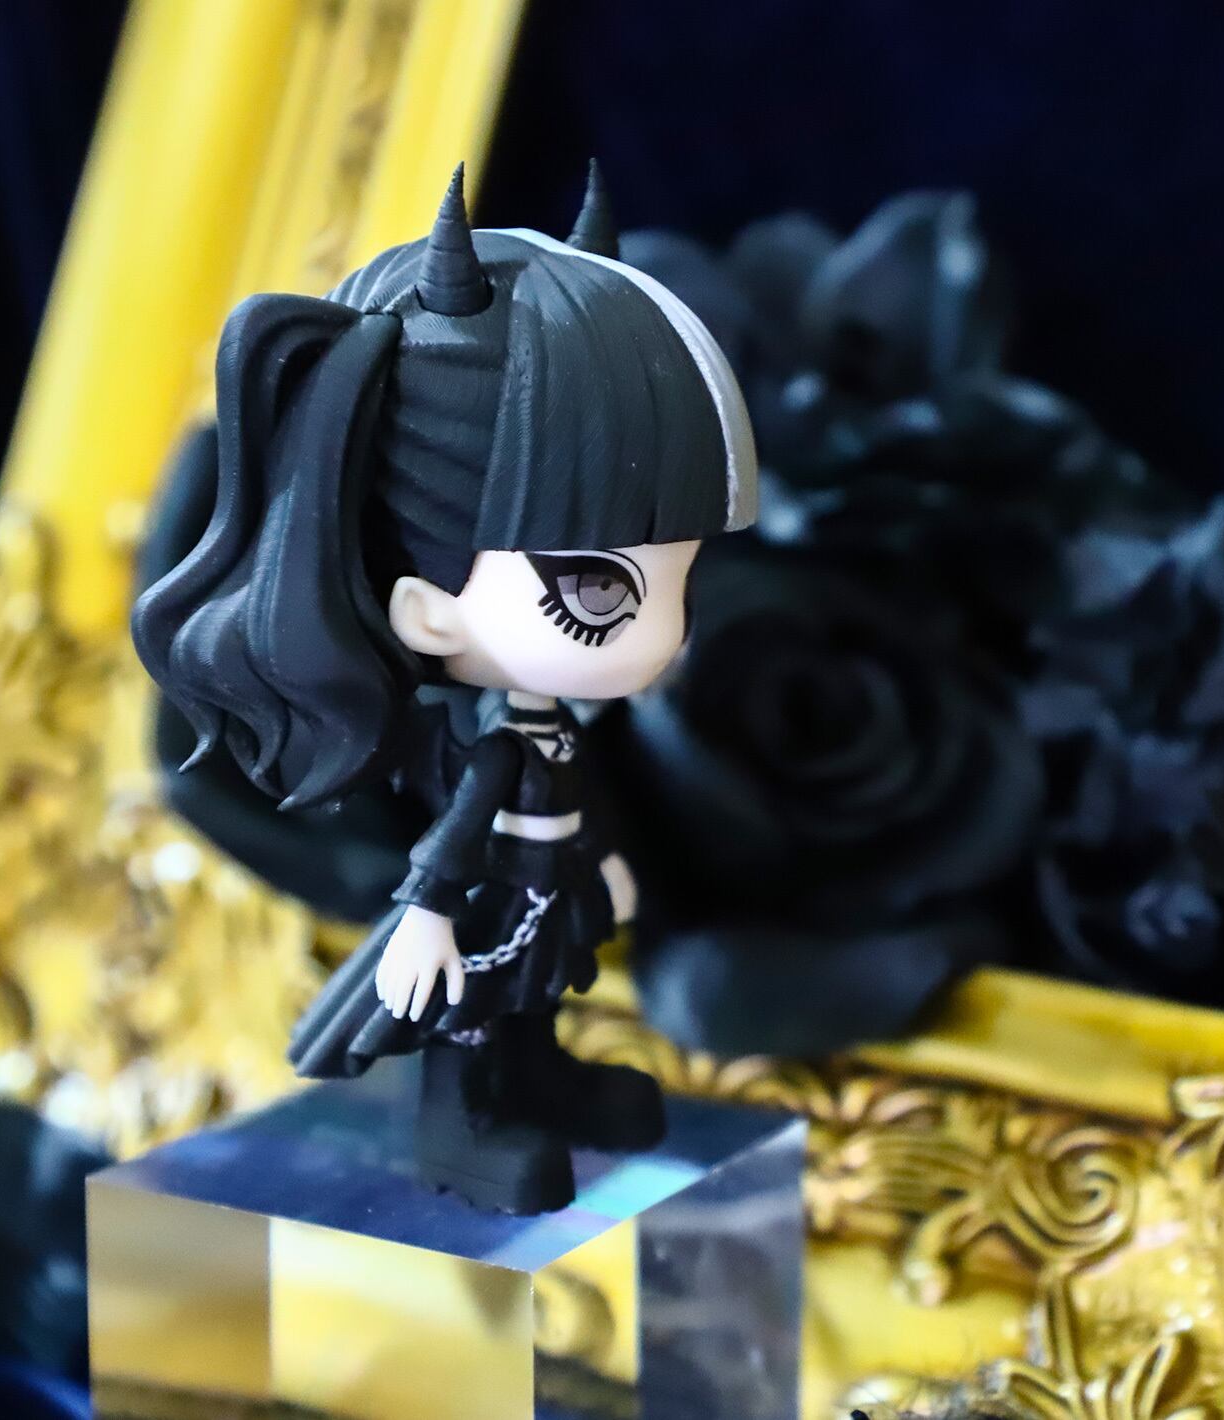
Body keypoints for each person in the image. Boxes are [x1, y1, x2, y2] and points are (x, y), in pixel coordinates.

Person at [133, 162, 757, 1213]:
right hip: (482, 899)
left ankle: (541, 1084)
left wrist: (603, 861)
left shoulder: (548, 724)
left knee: (531, 1005)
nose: (665, 636)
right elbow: (462, 826)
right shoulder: (488, 741)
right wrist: (424, 914)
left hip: (543, 892)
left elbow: (573, 793)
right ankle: (463, 1122)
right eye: (599, 592)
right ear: (428, 612)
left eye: (682, 582)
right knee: (471, 1017)